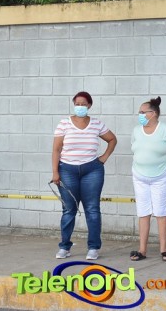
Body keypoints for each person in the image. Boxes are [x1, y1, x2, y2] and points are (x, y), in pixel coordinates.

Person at [51, 91, 117, 261]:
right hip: (67, 170)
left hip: (92, 170)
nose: (80, 106)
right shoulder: (64, 123)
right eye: (77, 104)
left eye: (83, 104)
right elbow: (56, 149)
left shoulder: (96, 124)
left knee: (92, 209)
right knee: (69, 210)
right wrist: (55, 172)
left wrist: (104, 157)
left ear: (89, 105)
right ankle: (64, 246)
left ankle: (93, 247)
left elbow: (112, 139)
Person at [129, 97, 166, 261]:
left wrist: (165, 166)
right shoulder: (136, 130)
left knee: (160, 212)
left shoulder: (165, 129)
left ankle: (164, 249)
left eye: (142, 112)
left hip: (161, 177)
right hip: (139, 176)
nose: (140, 115)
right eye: (139, 112)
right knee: (143, 212)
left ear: (153, 113)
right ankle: (142, 250)